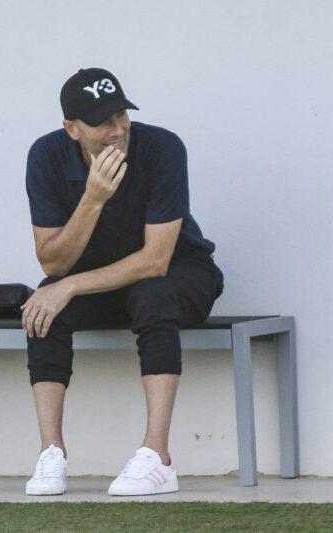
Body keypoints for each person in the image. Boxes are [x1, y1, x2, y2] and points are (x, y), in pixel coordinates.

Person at [21, 68, 223, 496]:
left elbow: (155, 259)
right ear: (72, 129)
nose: (118, 130)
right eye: (103, 122)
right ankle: (50, 453)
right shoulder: (45, 156)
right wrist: (93, 199)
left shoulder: (163, 148)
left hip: (182, 273)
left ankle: (157, 458)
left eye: (122, 116)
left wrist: (71, 285)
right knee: (43, 303)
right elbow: (53, 262)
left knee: (149, 294)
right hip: (111, 285)